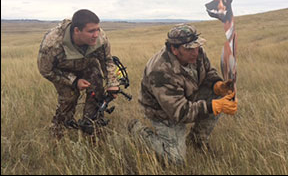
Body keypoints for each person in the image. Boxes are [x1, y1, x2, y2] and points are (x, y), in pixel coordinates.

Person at [128, 24, 237, 164]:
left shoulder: (197, 52)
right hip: (164, 112)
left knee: (221, 96)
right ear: (174, 49)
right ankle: (137, 130)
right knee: (175, 160)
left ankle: (197, 140)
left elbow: (208, 71)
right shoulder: (160, 71)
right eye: (189, 48)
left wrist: (217, 85)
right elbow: (180, 113)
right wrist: (213, 106)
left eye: (196, 46)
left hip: (186, 97)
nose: (195, 52)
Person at [37, 9, 119, 139]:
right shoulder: (52, 44)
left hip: (88, 66)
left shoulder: (101, 37)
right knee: (69, 99)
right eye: (91, 31)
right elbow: (45, 70)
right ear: (77, 31)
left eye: (98, 29)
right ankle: (58, 134)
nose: (96, 34)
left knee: (97, 91)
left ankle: (92, 128)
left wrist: (112, 83)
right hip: (63, 72)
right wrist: (74, 81)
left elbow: (107, 61)